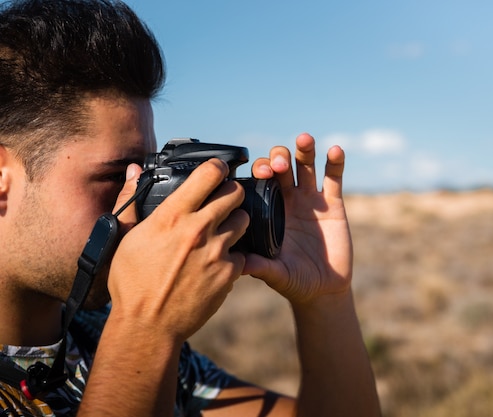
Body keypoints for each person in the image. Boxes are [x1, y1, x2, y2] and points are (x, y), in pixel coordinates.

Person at [0, 0, 381, 416]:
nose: (149, 210)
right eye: (115, 179)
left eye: (150, 175)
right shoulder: (135, 332)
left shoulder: (101, 334)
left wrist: (326, 301)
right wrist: (145, 329)